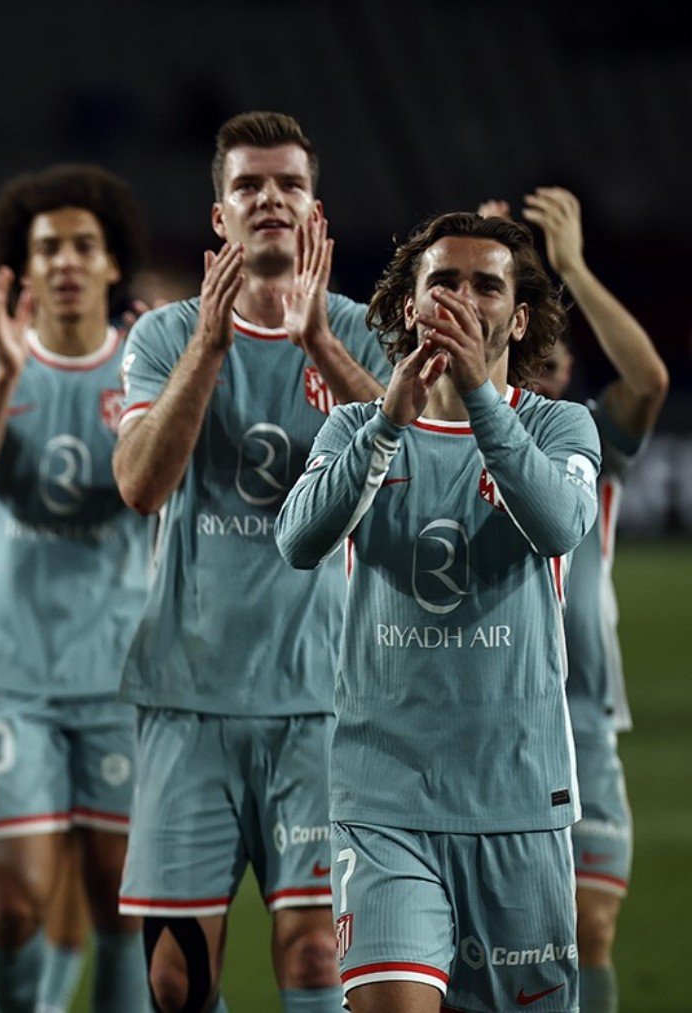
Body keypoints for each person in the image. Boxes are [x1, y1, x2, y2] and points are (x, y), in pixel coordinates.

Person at [278, 210, 597, 1013]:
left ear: (517, 318)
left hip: (518, 799)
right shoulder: (357, 428)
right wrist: (390, 415)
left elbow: (558, 523)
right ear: (410, 306)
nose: (462, 297)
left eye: (486, 284)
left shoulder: (559, 425)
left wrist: (482, 398)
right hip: (386, 801)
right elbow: (298, 538)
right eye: (443, 281)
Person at [111, 111, 389, 1012]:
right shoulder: (164, 336)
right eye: (248, 186)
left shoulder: (363, 329)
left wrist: (317, 343)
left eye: (289, 185)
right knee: (174, 976)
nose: (269, 198)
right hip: (188, 695)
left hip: (323, 700)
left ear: (316, 211)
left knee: (316, 956)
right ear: (220, 216)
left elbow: (417, 468)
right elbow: (142, 485)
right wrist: (211, 345)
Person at [0, 165, 152, 1013]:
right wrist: (5, 377)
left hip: (121, 674)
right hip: (12, 673)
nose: (64, 260)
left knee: (119, 902)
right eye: (47, 246)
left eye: (82, 246)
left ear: (109, 265)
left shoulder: (144, 368)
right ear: (20, 269)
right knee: (17, 898)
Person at [481, 189, 668, 1013]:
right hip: (480, 717)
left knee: (588, 926)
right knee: (484, 945)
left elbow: (649, 379)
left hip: (579, 718)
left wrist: (572, 269)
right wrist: (483, 263)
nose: (551, 374)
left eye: (563, 363)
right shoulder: (462, 431)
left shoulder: (580, 437)